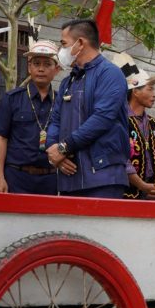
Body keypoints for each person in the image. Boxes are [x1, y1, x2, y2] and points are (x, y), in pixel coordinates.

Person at [46, 19, 129, 199]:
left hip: (102, 177)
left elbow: (102, 119)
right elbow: (55, 120)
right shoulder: (67, 82)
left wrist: (63, 148)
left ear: (80, 43)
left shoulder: (110, 74)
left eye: (64, 44)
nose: (61, 51)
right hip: (69, 177)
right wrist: (54, 152)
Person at [0, 40, 61, 195]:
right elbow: (0, 138)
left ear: (56, 69)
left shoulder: (63, 101)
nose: (41, 68)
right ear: (29, 67)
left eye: (47, 64)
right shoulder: (12, 98)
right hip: (16, 178)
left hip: (51, 180)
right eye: (36, 63)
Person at [112, 53, 155, 200]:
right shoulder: (120, 120)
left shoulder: (152, 123)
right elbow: (122, 160)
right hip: (128, 193)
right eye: (150, 89)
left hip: (153, 192)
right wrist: (142, 185)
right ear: (135, 91)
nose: (154, 94)